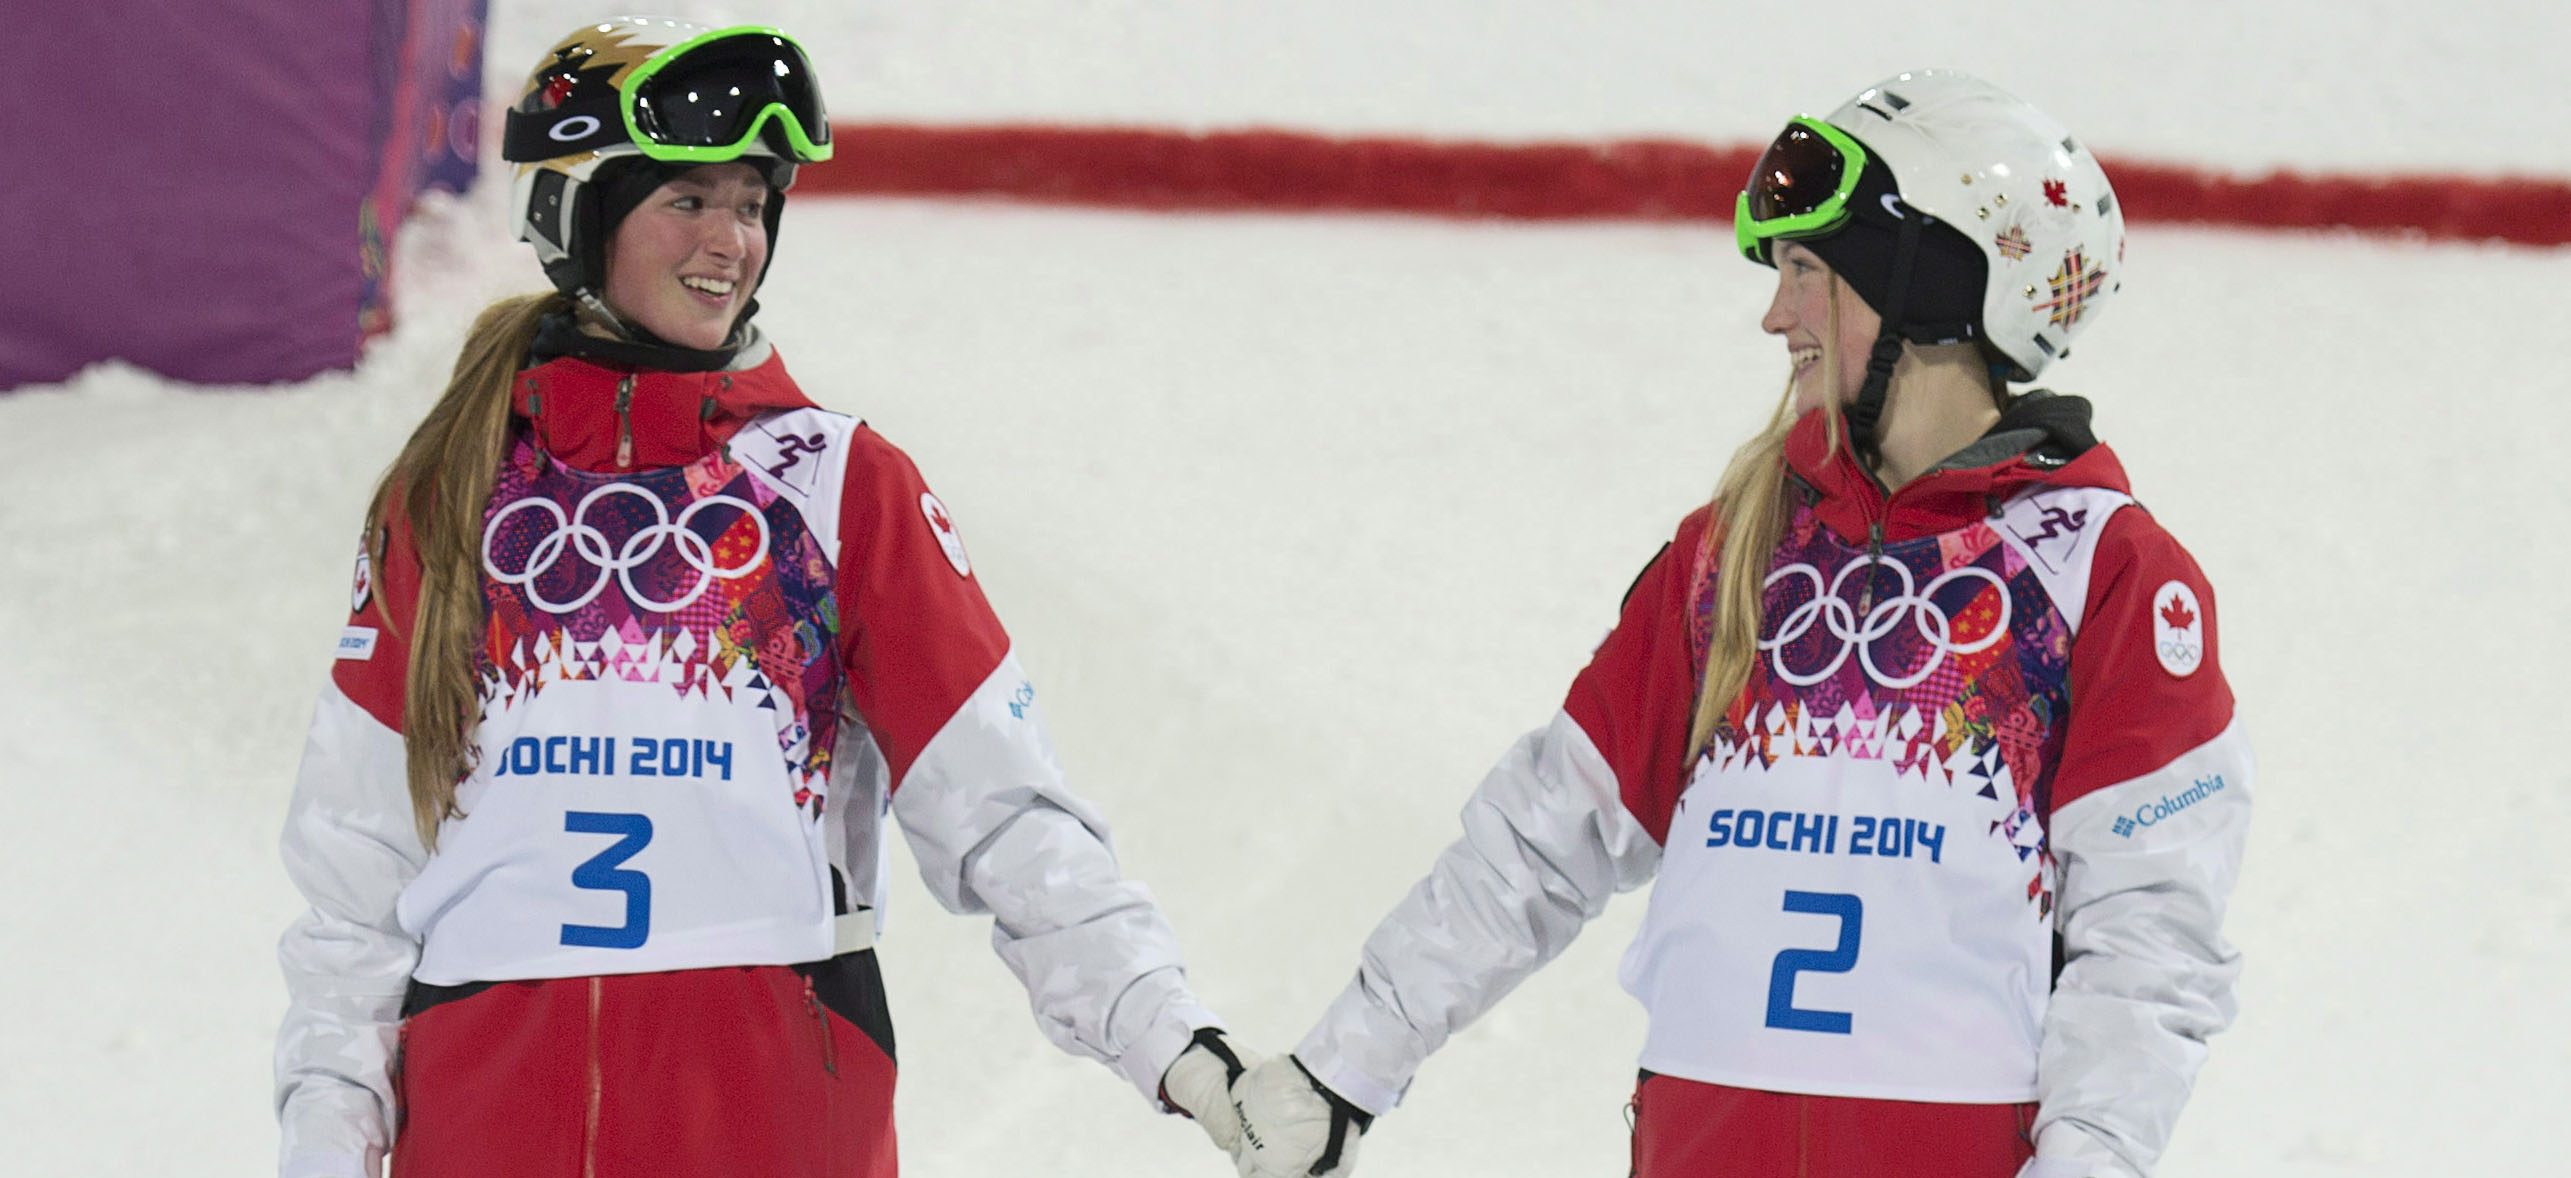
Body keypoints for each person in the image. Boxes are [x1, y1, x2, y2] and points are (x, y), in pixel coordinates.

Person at [1217, 70, 2252, 1178]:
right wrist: (1343, 1068)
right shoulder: (1734, 551)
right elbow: (1545, 832)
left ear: (1934, 279)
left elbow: (2149, 943)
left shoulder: (2105, 573)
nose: (1776, 312)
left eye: (1810, 270)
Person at [271, 18, 1253, 1177]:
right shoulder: (451, 497)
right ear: (576, 212)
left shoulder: (838, 490)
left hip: (766, 1121)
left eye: (751, 203)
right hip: (488, 1123)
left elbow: (1004, 813)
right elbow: (355, 882)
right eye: (688, 199)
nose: (731, 239)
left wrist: (1180, 1048)